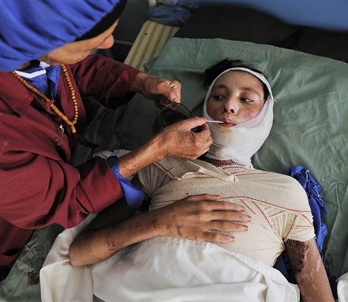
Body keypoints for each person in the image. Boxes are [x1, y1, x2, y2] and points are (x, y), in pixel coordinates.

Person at [0, 0, 242, 299]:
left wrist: (138, 80)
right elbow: (68, 210)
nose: (110, 43)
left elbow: (65, 64)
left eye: (247, 99)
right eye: (220, 95)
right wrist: (158, 150)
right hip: (11, 215)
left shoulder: (19, 36)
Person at [64, 59, 333, 301]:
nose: (228, 105)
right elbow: (80, 253)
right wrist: (160, 223)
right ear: (204, 109)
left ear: (266, 117)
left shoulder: (285, 191)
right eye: (218, 96)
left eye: (246, 100)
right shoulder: (161, 166)